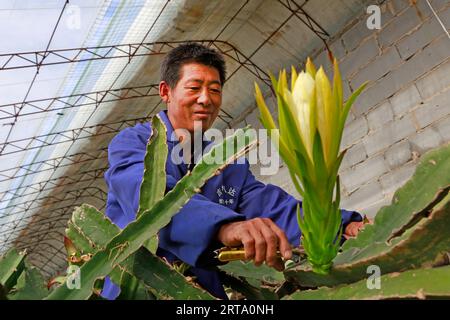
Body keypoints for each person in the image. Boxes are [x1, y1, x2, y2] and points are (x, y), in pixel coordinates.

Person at [101, 43, 365, 300]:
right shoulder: (133, 144)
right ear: (166, 91)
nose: (205, 99)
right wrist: (224, 226)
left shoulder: (227, 163)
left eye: (214, 90)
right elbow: (147, 196)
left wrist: (340, 223)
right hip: (136, 290)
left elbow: (271, 207)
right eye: (194, 87)